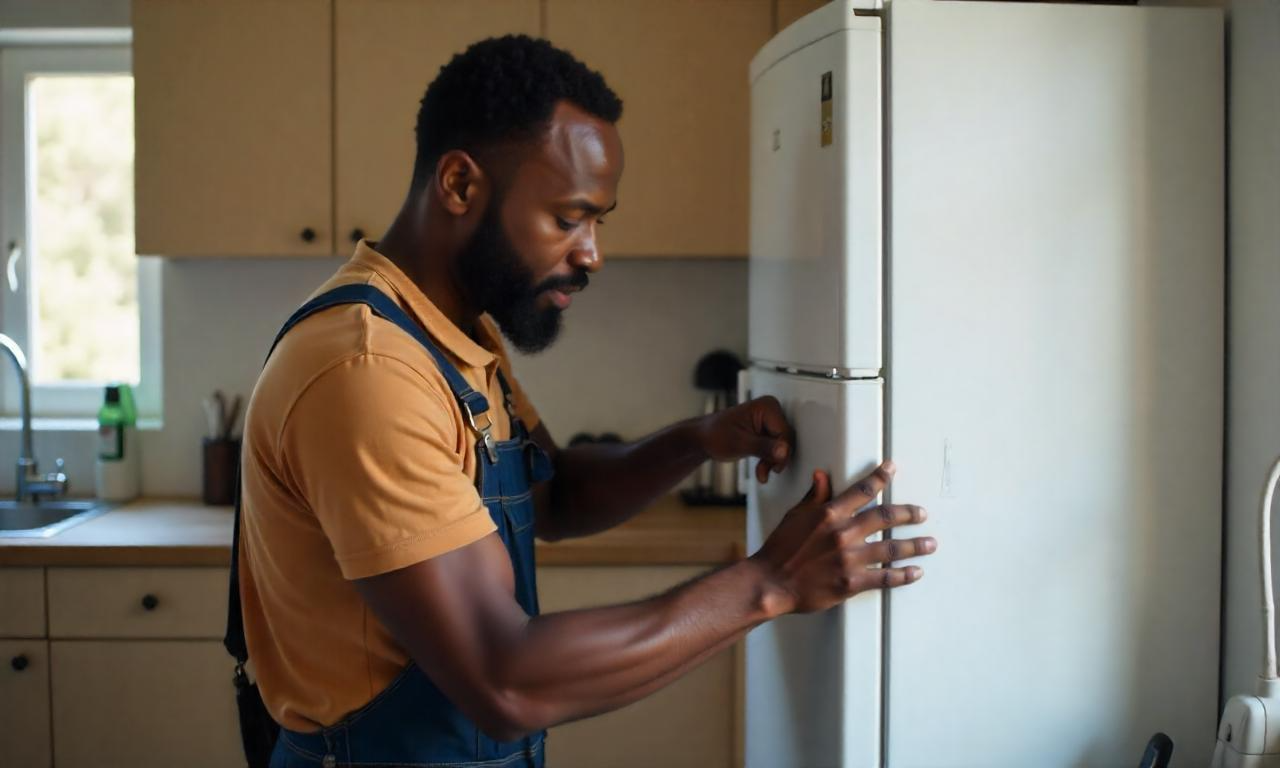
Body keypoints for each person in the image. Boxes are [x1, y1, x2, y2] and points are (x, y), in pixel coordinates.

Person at [233, 34, 936, 768]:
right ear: (460, 185)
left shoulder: (448, 333)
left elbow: (552, 496)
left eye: (598, 221)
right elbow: (502, 681)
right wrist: (772, 582)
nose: (591, 252)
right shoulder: (368, 370)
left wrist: (697, 441)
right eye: (569, 218)